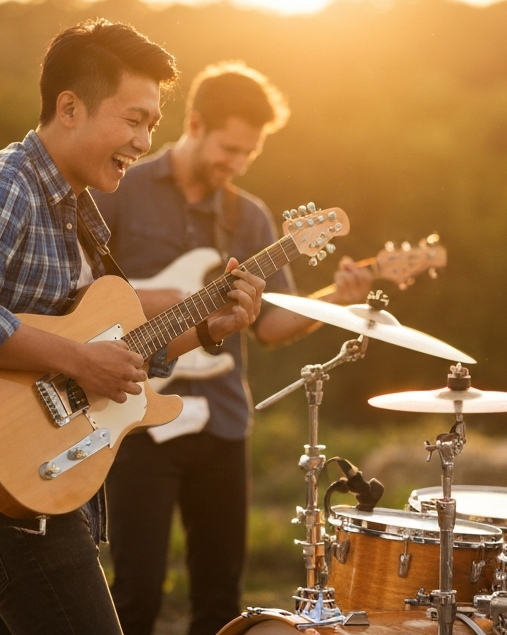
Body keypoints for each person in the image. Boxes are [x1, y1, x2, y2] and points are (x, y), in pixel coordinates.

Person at [0, 20, 267, 635]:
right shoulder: (1, 185)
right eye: (134, 119)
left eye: (152, 124)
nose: (146, 140)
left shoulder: (77, 212)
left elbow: (112, 355)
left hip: (38, 482)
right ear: (69, 107)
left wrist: (207, 330)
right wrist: (76, 360)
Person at [92, 62, 372, 635]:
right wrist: (152, 298)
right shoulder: (122, 187)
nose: (237, 164)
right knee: (134, 595)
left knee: (221, 601)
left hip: (222, 419)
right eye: (229, 148)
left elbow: (269, 328)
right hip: (135, 414)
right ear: (194, 123)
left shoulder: (251, 217)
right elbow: (78, 290)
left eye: (250, 154)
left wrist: (334, 302)